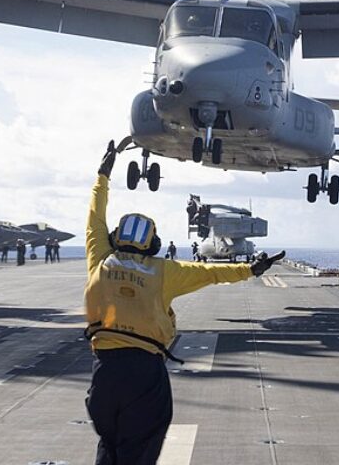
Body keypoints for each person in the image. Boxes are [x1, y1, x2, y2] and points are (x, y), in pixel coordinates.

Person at [83, 141, 284, 465]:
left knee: (110, 444)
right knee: (139, 449)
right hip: (145, 373)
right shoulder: (163, 271)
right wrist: (251, 268)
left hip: (103, 372)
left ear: (117, 237)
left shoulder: (100, 259)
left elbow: (95, 216)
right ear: (153, 243)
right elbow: (209, 273)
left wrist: (102, 175)